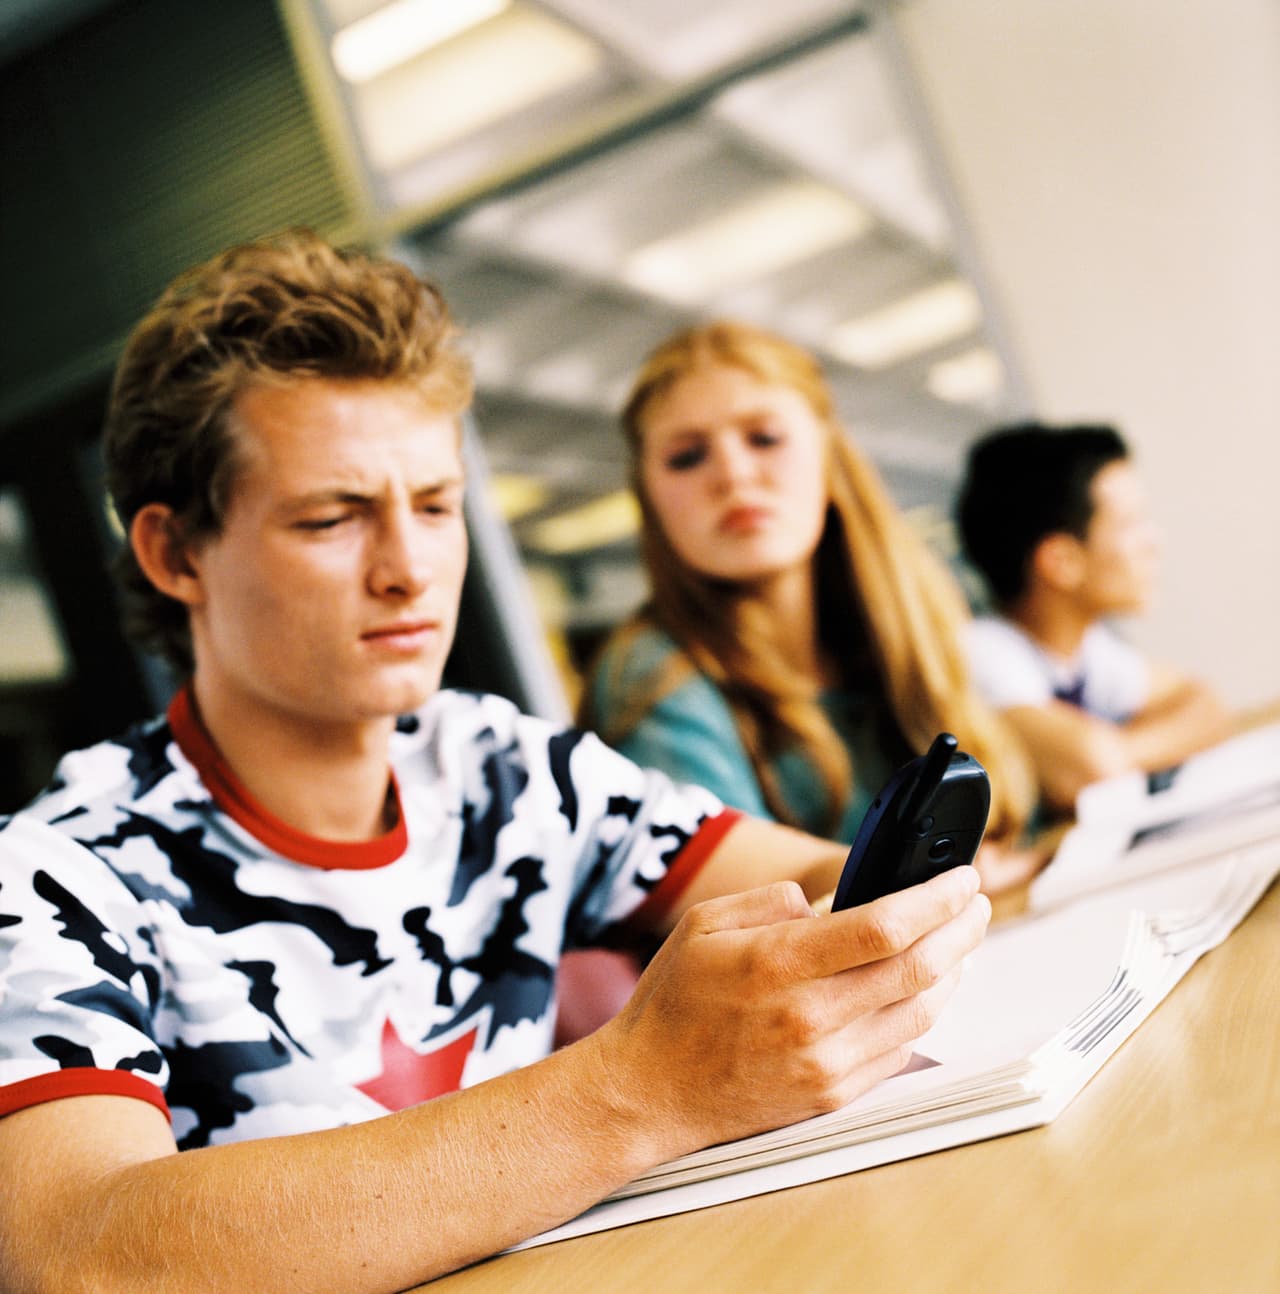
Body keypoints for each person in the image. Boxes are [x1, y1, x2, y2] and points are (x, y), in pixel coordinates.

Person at [0, 231, 991, 1292]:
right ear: (172, 552)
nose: (410, 570)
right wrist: (641, 1087)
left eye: (434, 506)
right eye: (332, 517)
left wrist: (911, 905)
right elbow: (77, 1250)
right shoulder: (58, 873)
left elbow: (828, 886)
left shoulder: (504, 771)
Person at [581, 319, 1040, 896]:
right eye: (687, 456)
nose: (733, 473)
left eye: (764, 438)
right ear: (649, 501)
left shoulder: (909, 625)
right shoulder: (650, 679)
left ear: (830, 458)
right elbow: (749, 914)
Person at [956, 421, 1230, 811]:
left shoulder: (1085, 648)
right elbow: (1092, 769)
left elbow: (1207, 708)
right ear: (1061, 562)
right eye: (1131, 523)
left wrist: (1121, 749)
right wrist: (1121, 748)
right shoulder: (982, 652)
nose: (1154, 541)